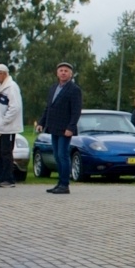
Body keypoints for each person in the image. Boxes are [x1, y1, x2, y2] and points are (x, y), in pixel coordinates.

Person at [37, 61, 82, 194]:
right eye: (61, 70)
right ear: (57, 73)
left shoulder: (74, 90)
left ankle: (65, 184)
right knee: (56, 155)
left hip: (65, 128)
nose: (63, 73)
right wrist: (41, 123)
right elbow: (48, 108)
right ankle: (59, 183)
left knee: (63, 155)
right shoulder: (53, 88)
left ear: (71, 74)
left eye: (66, 71)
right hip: (53, 127)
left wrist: (71, 127)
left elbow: (76, 110)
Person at [0, 63, 23, 188]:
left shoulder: (12, 87)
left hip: (8, 128)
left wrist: (4, 121)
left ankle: (8, 178)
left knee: (6, 153)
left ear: (3, 74)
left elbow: (15, 107)